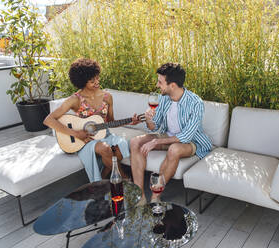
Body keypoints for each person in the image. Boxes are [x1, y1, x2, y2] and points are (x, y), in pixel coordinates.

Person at [44, 58, 139, 182]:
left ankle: (103, 176)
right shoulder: (75, 100)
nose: (97, 82)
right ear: (82, 81)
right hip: (85, 140)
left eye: (97, 78)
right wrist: (76, 133)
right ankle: (125, 179)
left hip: (105, 134)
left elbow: (110, 121)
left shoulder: (107, 97)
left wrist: (129, 121)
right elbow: (48, 120)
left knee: (122, 146)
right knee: (104, 148)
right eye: (92, 80)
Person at [130, 63, 212, 204]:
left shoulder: (195, 103)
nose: (157, 85)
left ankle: (156, 196)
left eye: (160, 82)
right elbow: (154, 128)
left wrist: (156, 142)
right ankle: (140, 196)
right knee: (135, 142)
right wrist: (149, 120)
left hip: (191, 142)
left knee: (174, 149)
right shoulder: (163, 98)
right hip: (167, 135)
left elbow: (186, 136)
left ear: (172, 85)